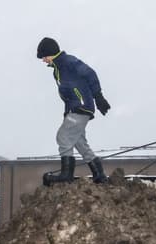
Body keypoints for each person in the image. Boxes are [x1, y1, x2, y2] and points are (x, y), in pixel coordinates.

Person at [37, 37, 111, 185]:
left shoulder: (68, 62)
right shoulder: (58, 69)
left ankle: (66, 174)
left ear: (51, 53)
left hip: (81, 106)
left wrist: (99, 96)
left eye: (44, 56)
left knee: (63, 137)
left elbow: (90, 73)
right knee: (78, 141)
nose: (43, 60)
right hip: (75, 107)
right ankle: (99, 174)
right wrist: (67, 113)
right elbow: (67, 95)